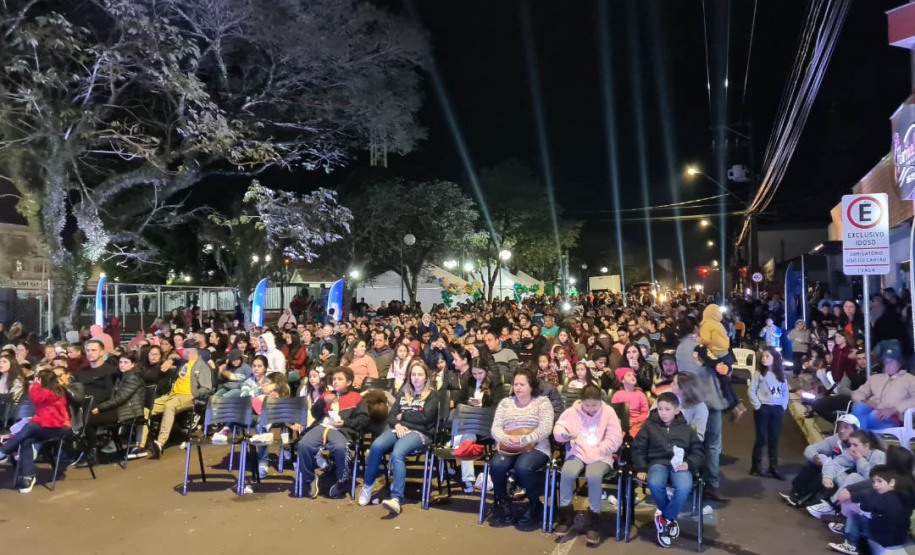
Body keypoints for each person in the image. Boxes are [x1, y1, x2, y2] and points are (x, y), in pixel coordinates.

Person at [358, 361, 439, 515]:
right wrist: (397, 425)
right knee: (376, 446)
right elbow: (392, 416)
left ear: (426, 377)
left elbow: (425, 418)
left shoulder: (432, 395)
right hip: (399, 429)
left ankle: (396, 498)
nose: (416, 378)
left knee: (397, 453)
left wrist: (404, 417)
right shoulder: (403, 392)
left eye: (420, 375)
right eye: (413, 374)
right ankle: (368, 485)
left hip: (420, 433)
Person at [552, 384, 623, 544]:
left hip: (601, 454)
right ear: (581, 402)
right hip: (578, 451)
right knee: (567, 473)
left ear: (600, 402)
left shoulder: (608, 412)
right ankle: (565, 517)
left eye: (594, 405)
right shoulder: (572, 412)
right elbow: (559, 428)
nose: (591, 409)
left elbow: (615, 438)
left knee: (594, 475)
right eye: (587, 405)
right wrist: (564, 434)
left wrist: (600, 449)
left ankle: (594, 522)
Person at [632, 392, 705, 548]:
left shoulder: (687, 428)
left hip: (680, 464)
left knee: (684, 487)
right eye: (660, 409)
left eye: (667, 409)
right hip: (657, 462)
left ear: (677, 410)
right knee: (654, 482)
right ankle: (669, 520)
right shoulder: (649, 426)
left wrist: (689, 463)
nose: (663, 413)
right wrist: (641, 467)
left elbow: (698, 451)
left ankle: (664, 519)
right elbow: (638, 448)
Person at [488, 366, 554, 527]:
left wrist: (525, 439)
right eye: (516, 384)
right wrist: (506, 438)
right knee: (496, 465)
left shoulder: (542, 403)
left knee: (523, 467)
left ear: (531, 386)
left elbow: (546, 428)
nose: (517, 387)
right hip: (509, 446)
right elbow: (495, 428)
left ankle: (534, 503)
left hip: (536, 446)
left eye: (522, 384)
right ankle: (503, 502)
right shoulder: (506, 403)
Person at [296, 367, 368, 499]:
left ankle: (342, 480)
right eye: (334, 379)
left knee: (341, 448)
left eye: (340, 379)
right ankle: (310, 478)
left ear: (349, 382)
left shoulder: (356, 397)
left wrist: (345, 423)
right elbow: (314, 414)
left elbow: (363, 419)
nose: (335, 382)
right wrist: (323, 401)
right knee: (303, 445)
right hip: (322, 426)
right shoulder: (327, 395)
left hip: (342, 430)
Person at [0, 370, 72, 493]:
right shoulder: (45, 392)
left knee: (31, 427)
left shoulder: (54, 392)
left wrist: (36, 385)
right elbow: (43, 416)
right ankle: (28, 476)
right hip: (46, 426)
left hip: (61, 427)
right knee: (26, 439)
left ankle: (4, 450)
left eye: (37, 379)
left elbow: (37, 398)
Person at [141, 338, 213, 458]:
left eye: (183, 350)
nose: (181, 352)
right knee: (146, 408)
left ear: (188, 351)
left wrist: (194, 395)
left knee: (170, 406)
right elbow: (175, 356)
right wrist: (170, 359)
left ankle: (160, 442)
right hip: (172, 395)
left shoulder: (202, 367)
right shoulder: (183, 362)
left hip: (187, 396)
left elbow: (207, 388)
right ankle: (141, 443)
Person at [828, 465, 915, 555]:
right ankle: (852, 532)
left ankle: (850, 543)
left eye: (879, 481)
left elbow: (864, 507)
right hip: (899, 539)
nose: (875, 485)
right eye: (873, 482)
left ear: (892, 482)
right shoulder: (904, 495)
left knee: (854, 511)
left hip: (881, 539)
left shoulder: (881, 498)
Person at [779, 414, 859, 508]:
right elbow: (811, 449)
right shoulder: (835, 439)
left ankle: (806, 500)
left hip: (847, 475)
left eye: (846, 427)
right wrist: (815, 457)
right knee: (812, 464)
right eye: (840, 426)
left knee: (823, 476)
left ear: (855, 430)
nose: (842, 430)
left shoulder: (858, 444)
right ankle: (796, 492)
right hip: (833, 468)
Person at [83, 352, 145, 466]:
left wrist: (100, 408)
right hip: (120, 408)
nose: (122, 365)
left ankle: (94, 452)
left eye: (126, 362)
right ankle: (96, 447)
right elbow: (114, 397)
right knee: (89, 417)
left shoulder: (133, 377)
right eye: (121, 362)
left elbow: (121, 398)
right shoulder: (121, 376)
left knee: (89, 421)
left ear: (133, 365)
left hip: (129, 411)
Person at [807, 431, 886, 519]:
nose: (852, 448)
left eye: (855, 445)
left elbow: (874, 479)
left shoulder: (879, 455)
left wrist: (860, 459)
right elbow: (835, 463)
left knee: (854, 477)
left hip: (876, 493)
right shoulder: (853, 453)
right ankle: (835, 507)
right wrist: (827, 477)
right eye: (850, 444)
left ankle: (831, 506)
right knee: (837, 472)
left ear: (866, 446)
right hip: (857, 491)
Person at [850, 340, 915, 430]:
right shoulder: (875, 378)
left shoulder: (910, 379)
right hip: (872, 413)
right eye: (885, 362)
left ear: (899, 363)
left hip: (893, 418)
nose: (887, 365)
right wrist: (864, 401)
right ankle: (863, 437)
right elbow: (857, 393)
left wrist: (895, 409)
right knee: (858, 406)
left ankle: (861, 437)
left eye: (891, 362)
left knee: (868, 417)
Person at [749, 347, 789, 480]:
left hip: (776, 409)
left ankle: (774, 467)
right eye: (763, 356)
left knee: (774, 438)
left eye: (767, 356)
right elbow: (751, 390)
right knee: (761, 438)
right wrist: (758, 406)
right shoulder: (759, 373)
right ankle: (756, 466)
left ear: (775, 359)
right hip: (763, 408)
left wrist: (783, 406)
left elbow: (785, 392)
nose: (764, 358)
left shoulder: (780, 375)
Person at [74, 339, 118, 405]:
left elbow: (110, 393)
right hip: (83, 407)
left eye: (93, 350)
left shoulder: (110, 371)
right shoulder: (81, 371)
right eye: (88, 350)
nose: (90, 353)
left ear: (101, 352)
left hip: (103, 409)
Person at [610, 367, 649, 436]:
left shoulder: (640, 395)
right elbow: (613, 412)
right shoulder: (617, 395)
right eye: (629, 375)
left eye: (633, 375)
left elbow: (645, 413)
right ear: (622, 380)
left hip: (637, 425)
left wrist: (634, 421)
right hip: (621, 425)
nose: (632, 377)